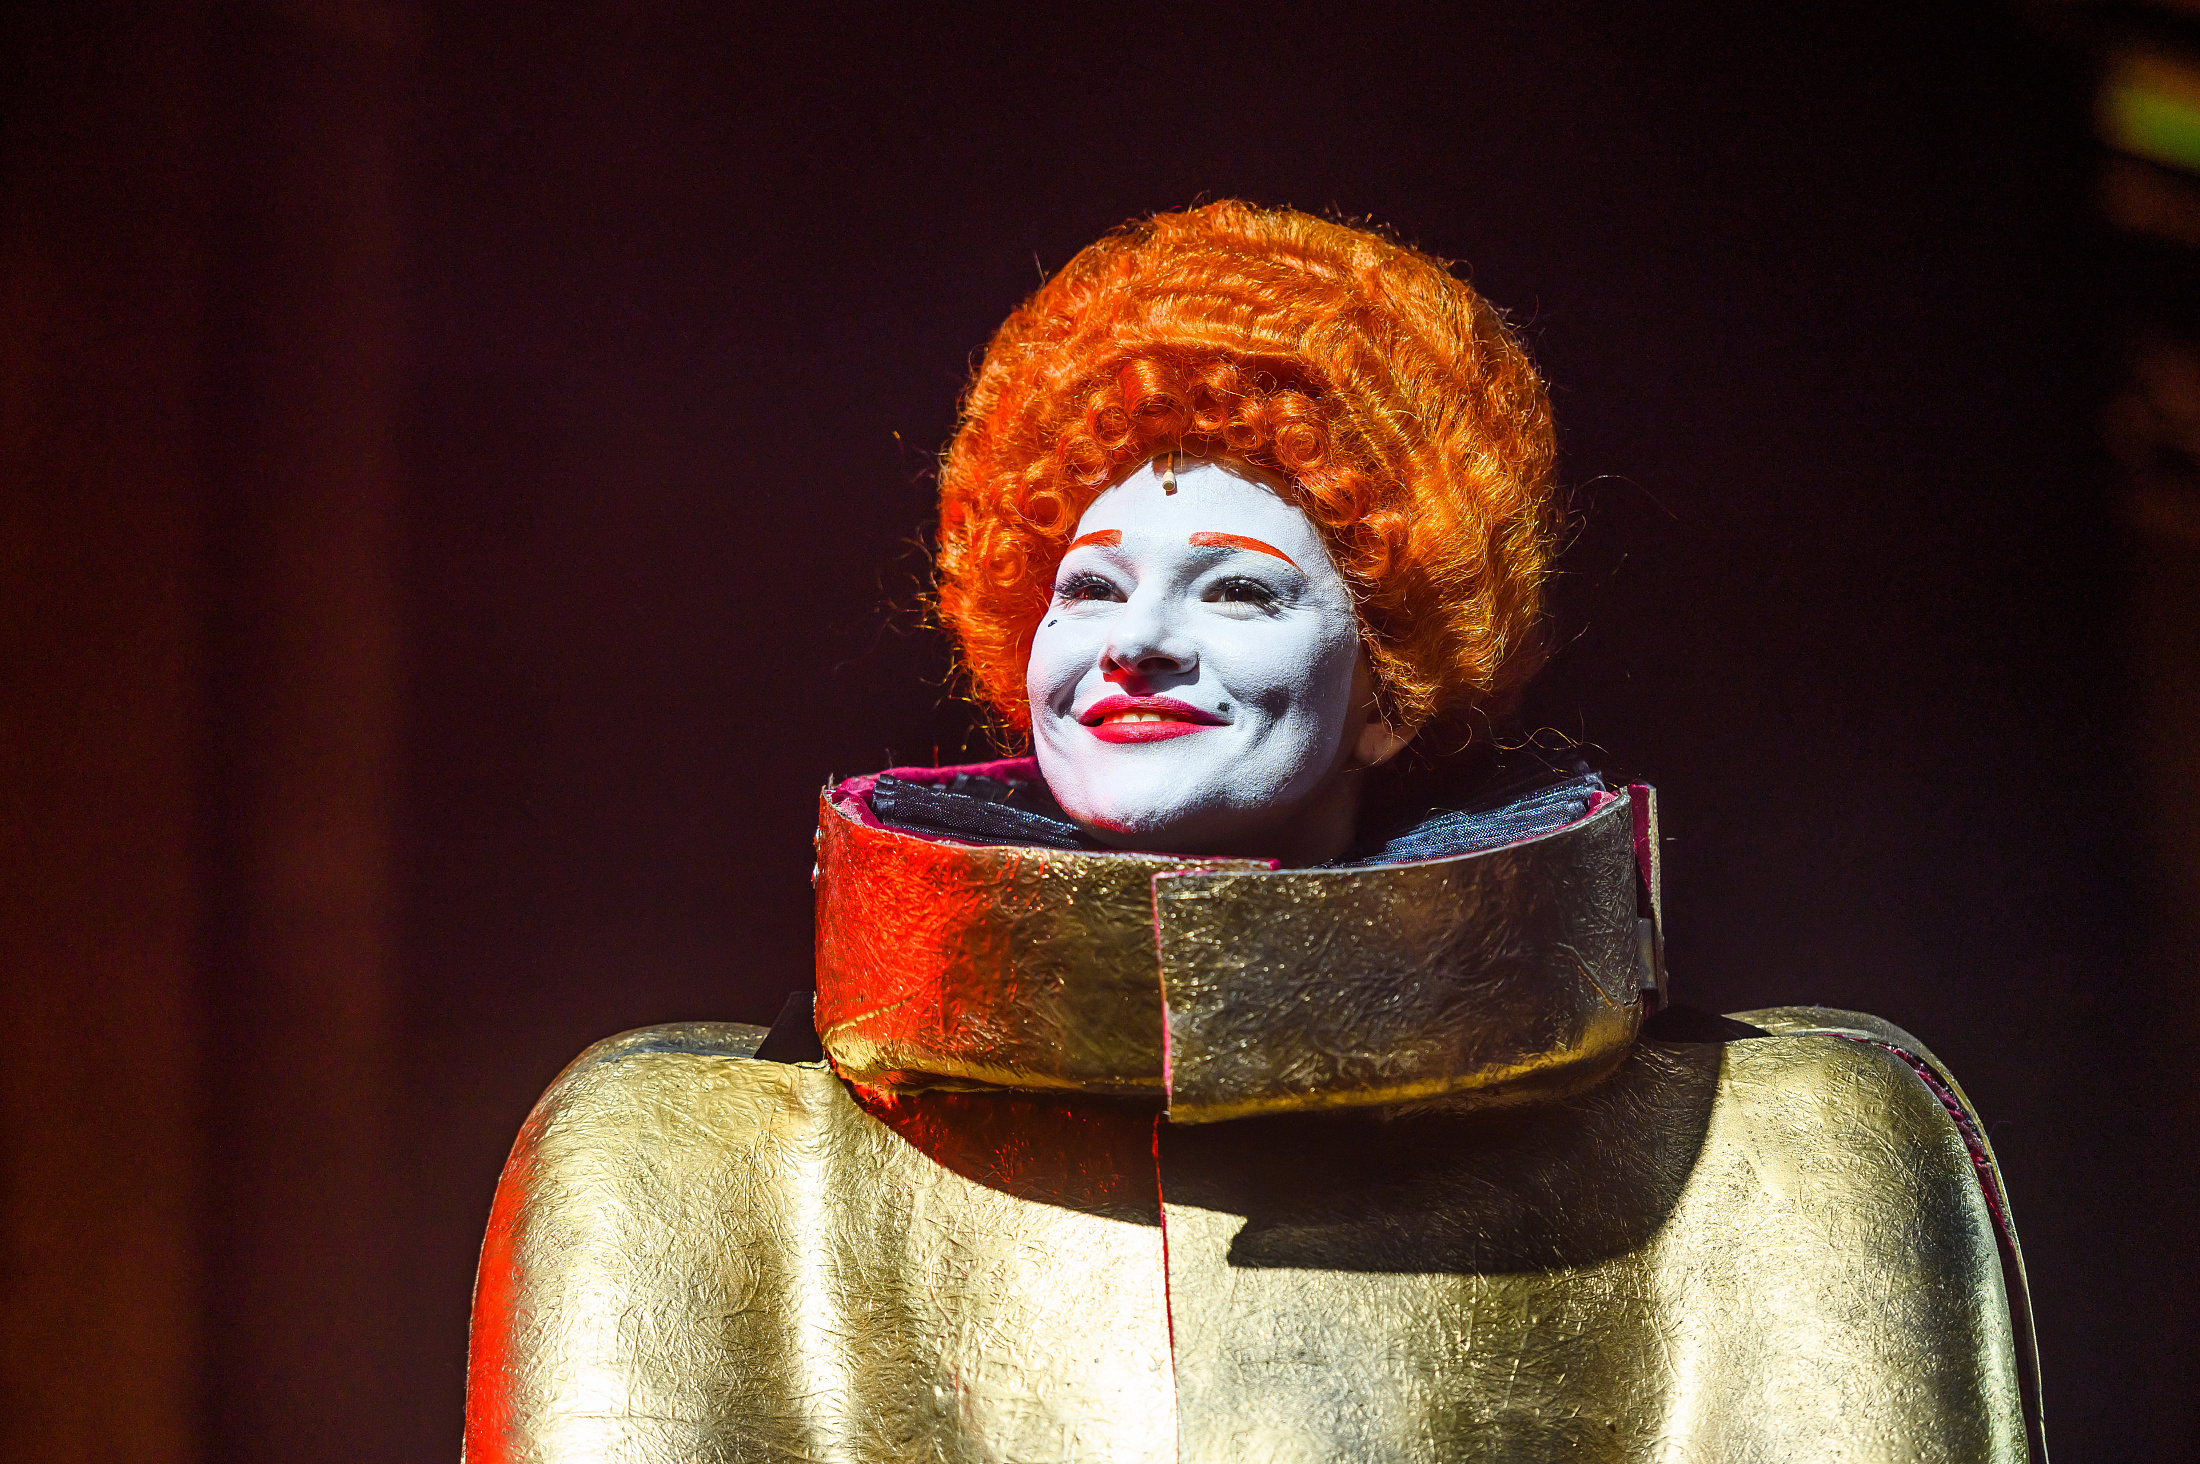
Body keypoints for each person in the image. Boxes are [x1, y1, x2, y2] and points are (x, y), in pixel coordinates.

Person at [464, 203, 2043, 1462]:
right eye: (1090, 586)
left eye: (1237, 588)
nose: (1139, 643)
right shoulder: (684, 1164)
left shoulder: (1786, 1158)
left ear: (1390, 688)